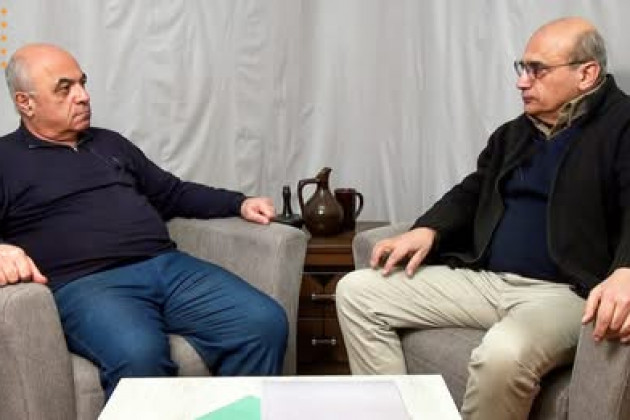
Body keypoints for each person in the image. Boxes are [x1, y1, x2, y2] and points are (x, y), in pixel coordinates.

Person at [336, 16, 630, 420]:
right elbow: (472, 191)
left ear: (586, 74)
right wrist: (428, 228)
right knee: (357, 292)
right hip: (488, 281)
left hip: (566, 293)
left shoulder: (622, 126)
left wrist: (626, 269)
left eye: (537, 70)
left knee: (502, 355)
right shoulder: (514, 134)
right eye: (522, 68)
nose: (522, 82)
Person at [0, 43, 288, 399]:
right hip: (87, 285)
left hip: (168, 267)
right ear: (25, 103)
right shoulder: (5, 159)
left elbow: (172, 193)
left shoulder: (109, 143)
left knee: (263, 322)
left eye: (82, 83)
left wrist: (238, 203)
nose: (83, 96)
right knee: (140, 356)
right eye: (65, 88)